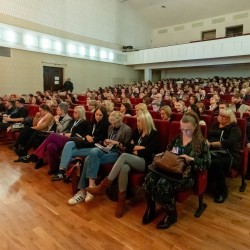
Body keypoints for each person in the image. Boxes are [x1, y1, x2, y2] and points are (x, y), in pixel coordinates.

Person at [142, 111, 210, 229]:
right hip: (170, 169)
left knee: (163, 183)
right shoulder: (177, 139)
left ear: (195, 127)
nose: (184, 132)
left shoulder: (201, 143)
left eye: (187, 130)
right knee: (149, 178)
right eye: (182, 129)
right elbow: (168, 152)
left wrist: (192, 159)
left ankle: (171, 214)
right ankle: (151, 208)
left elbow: (207, 163)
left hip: (186, 175)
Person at [87, 110, 160, 217]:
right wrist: (138, 148)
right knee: (124, 167)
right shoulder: (137, 131)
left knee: (124, 156)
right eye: (137, 121)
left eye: (139, 121)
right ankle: (121, 202)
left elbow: (148, 152)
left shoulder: (154, 134)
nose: (137, 123)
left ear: (146, 122)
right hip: (132, 158)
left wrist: (134, 148)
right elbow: (127, 146)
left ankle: (104, 186)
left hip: (145, 163)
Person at [67, 111, 132, 205]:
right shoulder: (110, 127)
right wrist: (105, 143)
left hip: (117, 153)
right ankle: (90, 187)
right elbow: (105, 140)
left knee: (89, 159)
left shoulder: (127, 130)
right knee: (92, 153)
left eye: (116, 123)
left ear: (120, 121)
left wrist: (116, 143)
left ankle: (84, 190)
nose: (114, 125)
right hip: (107, 149)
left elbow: (127, 148)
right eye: (112, 123)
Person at [51, 106, 110, 181]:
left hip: (95, 147)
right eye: (96, 114)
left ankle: (65, 173)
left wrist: (92, 138)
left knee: (68, 152)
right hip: (86, 143)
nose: (97, 117)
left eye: (100, 115)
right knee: (69, 144)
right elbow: (86, 133)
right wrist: (87, 136)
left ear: (104, 116)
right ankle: (61, 171)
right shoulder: (92, 122)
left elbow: (102, 138)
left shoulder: (106, 125)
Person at [28, 106, 88, 173]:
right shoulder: (73, 121)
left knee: (52, 135)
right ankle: (54, 168)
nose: (73, 114)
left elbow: (77, 135)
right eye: (74, 112)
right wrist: (64, 134)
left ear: (80, 113)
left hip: (72, 141)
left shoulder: (84, 123)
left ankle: (36, 154)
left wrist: (65, 134)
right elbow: (66, 130)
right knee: (51, 145)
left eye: (75, 112)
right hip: (65, 137)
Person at [207, 108, 241, 203]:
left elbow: (229, 143)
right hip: (213, 151)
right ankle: (206, 182)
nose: (221, 118)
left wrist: (211, 144)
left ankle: (222, 191)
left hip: (229, 154)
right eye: (220, 115)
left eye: (225, 117)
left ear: (230, 118)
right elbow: (208, 136)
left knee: (216, 163)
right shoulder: (215, 125)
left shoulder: (234, 128)